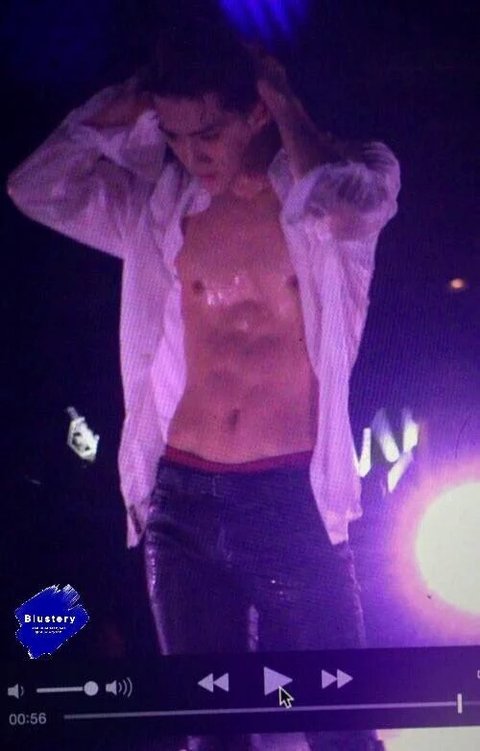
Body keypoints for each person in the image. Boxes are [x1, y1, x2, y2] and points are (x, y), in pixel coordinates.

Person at [7, 16, 399, 751]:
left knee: (342, 728)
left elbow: (352, 206)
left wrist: (284, 99)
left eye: (209, 133)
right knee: (210, 736)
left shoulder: (341, 177)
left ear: (257, 110)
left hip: (292, 500)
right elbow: (35, 187)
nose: (194, 154)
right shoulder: (161, 208)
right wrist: (120, 105)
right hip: (181, 504)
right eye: (177, 136)